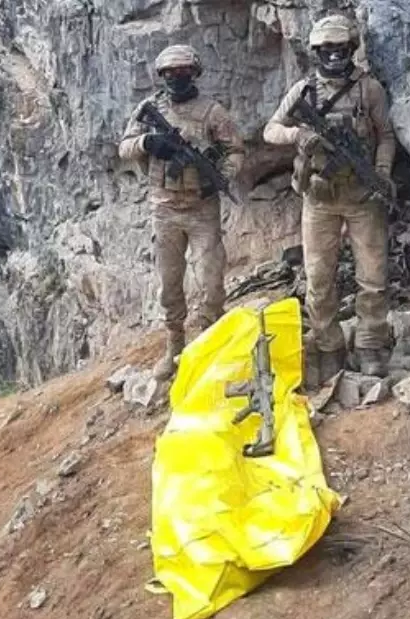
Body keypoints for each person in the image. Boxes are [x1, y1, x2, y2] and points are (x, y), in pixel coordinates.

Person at [263, 14, 396, 383]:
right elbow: (271, 130)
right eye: (327, 50)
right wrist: (299, 137)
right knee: (319, 278)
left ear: (351, 49)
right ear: (316, 52)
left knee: (373, 276)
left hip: (362, 197)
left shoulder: (368, 90)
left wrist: (382, 172)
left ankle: (370, 343)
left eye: (341, 50)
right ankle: (328, 346)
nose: (335, 57)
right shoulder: (304, 91)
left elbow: (385, 134)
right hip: (319, 200)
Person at [118, 44, 246, 380]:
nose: (177, 77)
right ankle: (175, 345)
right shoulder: (149, 109)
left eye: (184, 71)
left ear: (195, 73)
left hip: (202, 207)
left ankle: (209, 343)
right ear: (161, 76)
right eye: (170, 73)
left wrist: (219, 179)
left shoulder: (213, 112)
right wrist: (148, 143)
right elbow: (124, 146)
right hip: (165, 207)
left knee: (211, 281)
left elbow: (234, 151)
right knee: (169, 282)